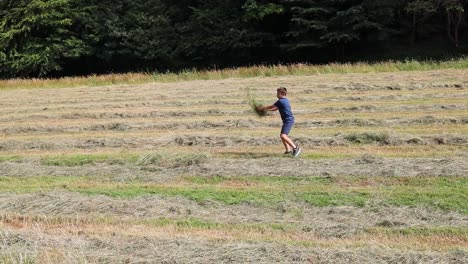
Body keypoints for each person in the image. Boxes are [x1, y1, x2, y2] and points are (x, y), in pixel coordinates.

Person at [257, 87, 301, 157]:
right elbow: (275, 109)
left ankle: (295, 148)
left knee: (283, 135)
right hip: (287, 120)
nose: (277, 95)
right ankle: (288, 150)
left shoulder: (281, 101)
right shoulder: (285, 100)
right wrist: (267, 110)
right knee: (283, 136)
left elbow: (271, 106)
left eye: (278, 94)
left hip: (288, 120)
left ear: (283, 94)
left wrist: (262, 108)